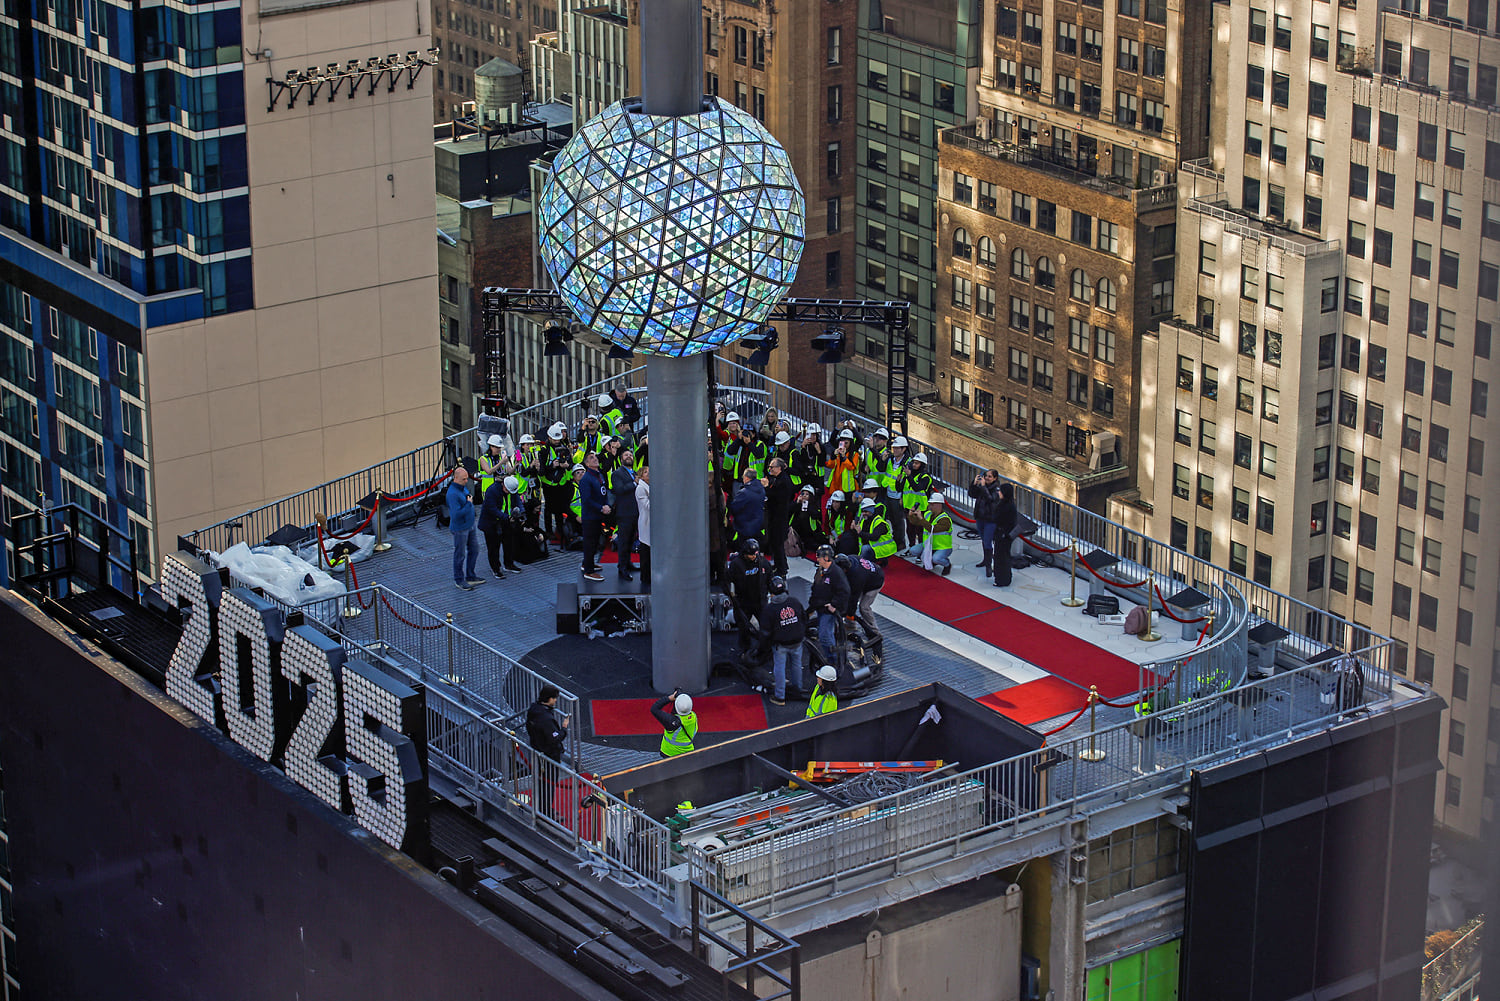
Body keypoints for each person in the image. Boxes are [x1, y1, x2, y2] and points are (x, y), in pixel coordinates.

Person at [757, 576, 806, 705]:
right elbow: (803, 618)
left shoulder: (770, 609)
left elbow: (765, 632)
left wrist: (763, 647)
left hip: (781, 644)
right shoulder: (794, 602)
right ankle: (798, 689)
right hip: (797, 641)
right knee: (796, 665)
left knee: (779, 668)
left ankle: (780, 696)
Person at [726, 538, 774, 656]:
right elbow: (727, 582)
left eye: (755, 554)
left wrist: (772, 591)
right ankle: (745, 650)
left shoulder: (762, 562)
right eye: (750, 555)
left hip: (760, 601)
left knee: (766, 627)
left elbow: (770, 577)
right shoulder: (736, 564)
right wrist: (733, 598)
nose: (753, 557)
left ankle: (766, 648)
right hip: (743, 602)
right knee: (743, 628)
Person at [809, 545, 850, 666]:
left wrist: (834, 605)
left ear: (826, 558)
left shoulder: (836, 573)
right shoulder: (821, 570)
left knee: (825, 635)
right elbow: (816, 587)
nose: (817, 559)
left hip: (828, 610)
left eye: (819, 557)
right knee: (826, 634)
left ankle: (833, 660)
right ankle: (832, 658)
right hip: (820, 606)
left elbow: (845, 591)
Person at [446, 465, 485, 590]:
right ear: (456, 478)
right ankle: (459, 579)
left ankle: (470, 575)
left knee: (474, 550)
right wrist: (469, 505)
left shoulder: (461, 488)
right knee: (460, 554)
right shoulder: (452, 494)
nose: (466, 481)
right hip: (460, 528)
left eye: (467, 478)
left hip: (469, 524)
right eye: (464, 479)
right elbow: (456, 514)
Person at [837, 552, 885, 651]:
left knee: (864, 607)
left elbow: (853, 599)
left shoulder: (856, 576)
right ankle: (850, 624)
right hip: (868, 576)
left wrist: (848, 613)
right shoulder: (850, 558)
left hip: (876, 582)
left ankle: (874, 632)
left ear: (845, 570)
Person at [477, 473, 520, 579]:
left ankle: (509, 564)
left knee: (509, 542)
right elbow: (492, 509)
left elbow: (517, 501)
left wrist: (520, 512)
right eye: (508, 491)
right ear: (504, 486)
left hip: (505, 521)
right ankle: (496, 569)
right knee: (493, 547)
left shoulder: (511, 489)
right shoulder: (492, 491)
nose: (510, 493)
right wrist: (506, 517)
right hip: (491, 523)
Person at [578, 451, 611, 581]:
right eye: (591, 458)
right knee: (590, 542)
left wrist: (606, 505)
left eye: (595, 457)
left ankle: (588, 562)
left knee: (595, 540)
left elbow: (603, 492)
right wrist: (601, 508)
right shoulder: (586, 479)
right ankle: (589, 571)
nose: (595, 459)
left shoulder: (599, 475)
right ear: (586, 463)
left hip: (598, 515)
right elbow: (587, 500)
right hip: (590, 516)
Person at [541, 423, 575, 543]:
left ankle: (560, 530)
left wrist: (566, 465)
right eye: (554, 439)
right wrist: (552, 466)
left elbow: (571, 463)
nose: (556, 441)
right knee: (549, 509)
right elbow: (541, 471)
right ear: (549, 438)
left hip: (562, 484)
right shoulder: (544, 450)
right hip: (549, 485)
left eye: (558, 439)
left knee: (560, 508)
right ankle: (549, 531)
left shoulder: (564, 448)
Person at [609, 451, 639, 580]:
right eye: (626, 455)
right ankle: (622, 568)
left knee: (631, 539)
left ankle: (628, 562)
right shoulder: (617, 474)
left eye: (631, 455)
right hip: (625, 512)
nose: (629, 457)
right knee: (624, 541)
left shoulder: (636, 473)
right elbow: (619, 489)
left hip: (635, 512)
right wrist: (634, 483)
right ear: (621, 459)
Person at [762, 457, 794, 576]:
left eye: (772, 467)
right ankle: (780, 564)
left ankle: (781, 570)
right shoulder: (776, 479)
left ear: (779, 468)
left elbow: (776, 497)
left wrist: (766, 487)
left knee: (778, 543)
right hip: (774, 515)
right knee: (775, 543)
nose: (769, 469)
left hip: (779, 517)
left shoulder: (784, 481)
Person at [968, 468, 1002, 578]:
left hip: (990, 519)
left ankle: (988, 565)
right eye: (986, 476)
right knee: (983, 539)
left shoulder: (997, 489)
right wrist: (974, 484)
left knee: (987, 541)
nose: (987, 478)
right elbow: (972, 494)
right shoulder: (983, 487)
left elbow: (990, 499)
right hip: (980, 517)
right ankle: (985, 560)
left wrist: (982, 487)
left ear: (995, 478)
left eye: (989, 476)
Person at [525, 684, 569, 762]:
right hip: (549, 754)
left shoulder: (534, 708)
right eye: (554, 698)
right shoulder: (546, 719)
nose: (555, 700)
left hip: (536, 746)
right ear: (550, 699)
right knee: (551, 773)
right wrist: (564, 728)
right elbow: (555, 738)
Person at [651, 690, 698, 757]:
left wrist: (670, 698)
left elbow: (654, 709)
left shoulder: (671, 722)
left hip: (668, 754)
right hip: (688, 753)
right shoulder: (693, 717)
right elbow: (682, 710)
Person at [728, 466, 766, 547]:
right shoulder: (762, 490)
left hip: (745, 526)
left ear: (746, 478)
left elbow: (734, 508)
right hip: (758, 524)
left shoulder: (744, 492)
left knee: (744, 549)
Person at [855, 497, 897, 567]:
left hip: (883, 549)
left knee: (865, 548)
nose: (864, 513)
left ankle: (863, 565)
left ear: (871, 510)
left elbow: (874, 537)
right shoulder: (864, 521)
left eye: (866, 511)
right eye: (862, 511)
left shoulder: (879, 522)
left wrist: (860, 533)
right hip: (875, 548)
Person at [993, 481, 1018, 588]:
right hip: (1003, 535)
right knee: (1002, 557)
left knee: (1001, 558)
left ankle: (1002, 579)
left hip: (1003, 536)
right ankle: (1003, 578)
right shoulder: (1008, 504)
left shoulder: (1006, 506)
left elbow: (1000, 519)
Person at [923, 492, 954, 576]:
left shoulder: (944, 519)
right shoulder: (928, 514)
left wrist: (921, 520)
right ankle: (932, 559)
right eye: (930, 504)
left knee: (936, 558)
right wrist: (912, 515)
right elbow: (916, 522)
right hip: (930, 545)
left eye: (932, 504)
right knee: (915, 551)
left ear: (939, 505)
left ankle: (947, 564)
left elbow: (932, 529)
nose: (930, 506)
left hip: (943, 547)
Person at [790, 484, 825, 554]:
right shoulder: (797, 504)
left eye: (807, 494)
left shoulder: (814, 506)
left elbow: (817, 516)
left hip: (810, 533)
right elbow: (789, 510)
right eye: (803, 493)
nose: (805, 495)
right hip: (796, 532)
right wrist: (797, 502)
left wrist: (807, 506)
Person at [634, 466, 651, 585]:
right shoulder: (640, 489)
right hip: (646, 522)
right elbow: (647, 506)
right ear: (641, 476)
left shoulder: (650, 487)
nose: (648, 473)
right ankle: (645, 578)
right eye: (645, 472)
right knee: (646, 549)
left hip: (652, 522)